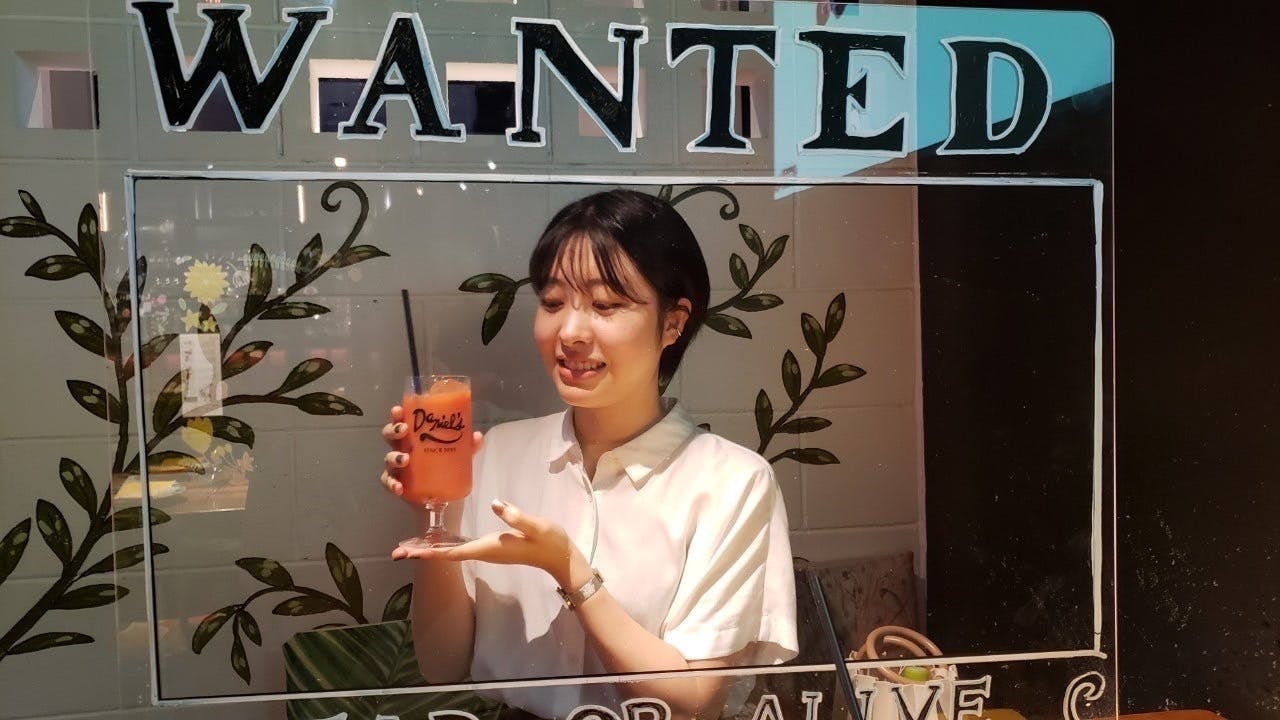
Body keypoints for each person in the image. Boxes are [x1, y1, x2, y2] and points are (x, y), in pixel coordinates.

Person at [379, 189, 797, 720]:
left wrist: (570, 570)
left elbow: (693, 703)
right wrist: (436, 512)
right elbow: (442, 664)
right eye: (553, 303)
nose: (571, 332)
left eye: (605, 305)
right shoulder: (494, 455)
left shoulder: (732, 482)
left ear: (673, 322)